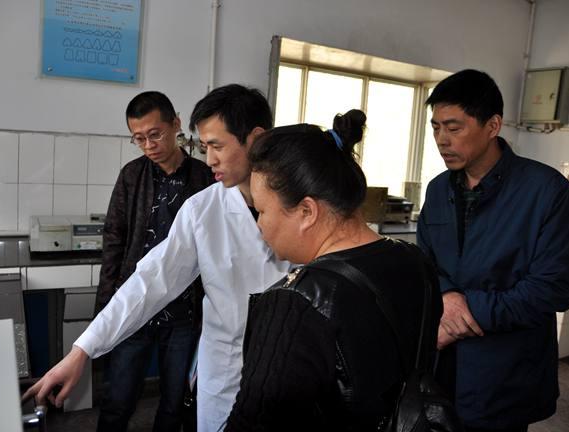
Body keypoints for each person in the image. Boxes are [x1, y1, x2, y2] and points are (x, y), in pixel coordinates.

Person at [23, 84, 291, 432]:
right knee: (123, 398)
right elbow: (151, 279)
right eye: (205, 147)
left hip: (285, 367)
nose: (210, 159)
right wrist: (83, 350)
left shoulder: (301, 206)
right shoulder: (201, 208)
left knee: (174, 405)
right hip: (225, 371)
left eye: (217, 146)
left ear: (255, 138)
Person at [224, 111, 443, 431]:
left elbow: (253, 422)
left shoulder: (296, 302)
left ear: (307, 211)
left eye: (262, 211)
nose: (259, 226)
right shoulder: (415, 262)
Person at [416, 69, 569, 432]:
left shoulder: (547, 191)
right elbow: (424, 262)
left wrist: (463, 313)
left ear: (493, 126)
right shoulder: (438, 189)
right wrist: (446, 294)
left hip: (505, 375)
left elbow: (555, 287)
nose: (442, 140)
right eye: (436, 128)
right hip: (441, 371)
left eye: (454, 128)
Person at [94, 91, 214, 432]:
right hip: (136, 304)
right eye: (139, 138)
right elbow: (114, 238)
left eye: (155, 134)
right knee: (119, 399)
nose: (148, 145)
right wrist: (107, 302)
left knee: (174, 402)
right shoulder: (132, 176)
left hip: (183, 312)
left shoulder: (204, 177)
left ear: (176, 124)